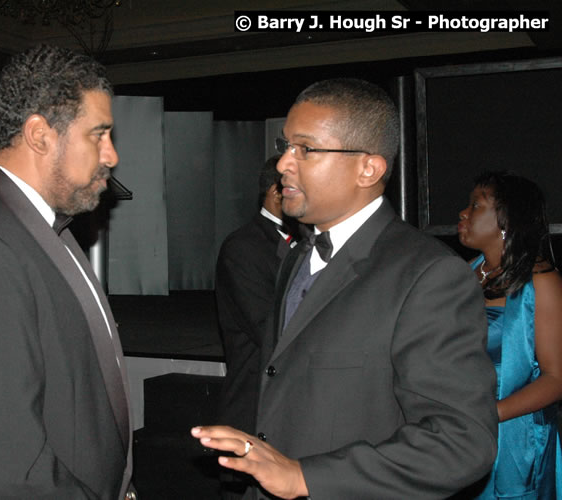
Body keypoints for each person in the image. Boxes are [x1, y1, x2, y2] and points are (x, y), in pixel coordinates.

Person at [192, 78, 499, 499]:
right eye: (285, 147)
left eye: (306, 148)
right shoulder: (297, 257)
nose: (283, 163)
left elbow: (461, 441)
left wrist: (305, 477)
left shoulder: (428, 274)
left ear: (368, 168)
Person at [0, 45, 135, 499]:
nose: (111, 155)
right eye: (98, 134)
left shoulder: (36, 227)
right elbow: (4, 465)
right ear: (39, 135)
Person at [457, 171, 562, 499]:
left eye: (475, 206)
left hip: (513, 437)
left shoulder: (542, 283)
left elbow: (558, 379)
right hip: (459, 431)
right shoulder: (463, 275)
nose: (463, 214)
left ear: (506, 219)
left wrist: (490, 414)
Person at [215, 155, 296, 498]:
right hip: (255, 407)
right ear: (277, 192)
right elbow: (270, 330)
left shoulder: (307, 243)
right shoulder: (244, 246)